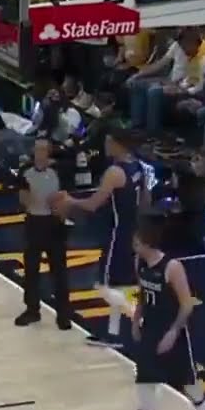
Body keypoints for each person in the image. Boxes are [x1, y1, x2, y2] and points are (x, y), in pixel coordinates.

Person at [113, 215, 205, 410]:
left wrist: (173, 332)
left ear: (148, 243)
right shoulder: (139, 262)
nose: (134, 245)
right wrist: (136, 320)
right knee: (145, 382)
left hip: (174, 332)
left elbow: (187, 304)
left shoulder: (172, 267)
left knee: (188, 381)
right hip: (151, 330)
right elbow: (141, 292)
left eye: (137, 242)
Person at [55, 127, 147, 348]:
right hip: (133, 231)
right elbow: (145, 202)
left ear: (117, 143)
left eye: (108, 141)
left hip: (117, 233)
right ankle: (113, 334)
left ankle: (137, 322)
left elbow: (93, 204)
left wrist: (70, 201)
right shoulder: (138, 167)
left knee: (106, 285)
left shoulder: (115, 172)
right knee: (121, 284)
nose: (105, 146)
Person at [16, 138, 71, 329]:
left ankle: (63, 314)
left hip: (54, 224)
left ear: (49, 153)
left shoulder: (60, 170)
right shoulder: (25, 171)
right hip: (33, 222)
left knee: (59, 271)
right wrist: (27, 198)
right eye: (36, 150)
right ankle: (32, 310)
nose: (39, 154)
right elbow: (22, 197)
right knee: (31, 269)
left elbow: (66, 196)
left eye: (43, 150)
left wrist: (61, 208)